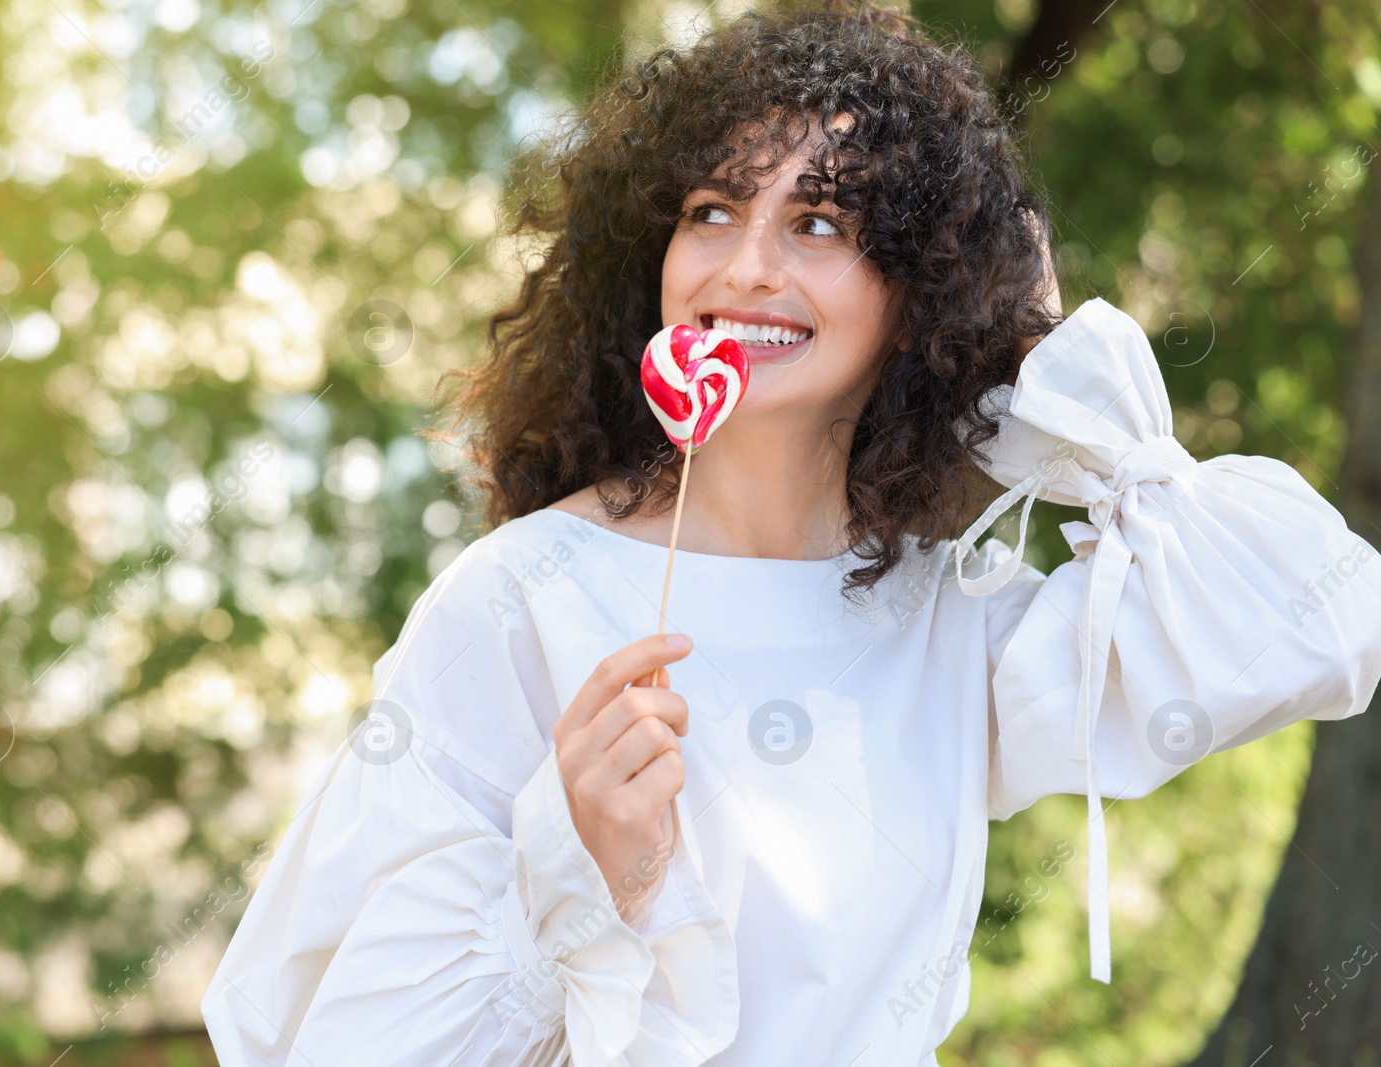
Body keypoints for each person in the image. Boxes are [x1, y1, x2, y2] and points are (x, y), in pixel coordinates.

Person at [200, 2, 1381, 1064]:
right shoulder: (519, 594)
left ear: (919, 283)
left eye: (820, 220)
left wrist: (1037, 354)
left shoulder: (945, 618)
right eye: (710, 208)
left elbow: (1321, 620)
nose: (745, 266)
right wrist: (575, 873)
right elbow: (328, 1036)